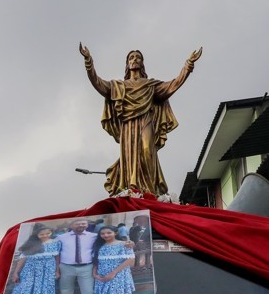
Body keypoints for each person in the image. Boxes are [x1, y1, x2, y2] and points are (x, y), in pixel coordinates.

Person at [79, 44, 202, 197]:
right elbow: (98, 84)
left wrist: (188, 65)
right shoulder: (119, 86)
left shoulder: (150, 85)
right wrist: (88, 61)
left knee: (146, 151)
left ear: (142, 63)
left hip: (146, 121)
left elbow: (172, 85)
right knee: (130, 157)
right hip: (128, 126)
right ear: (127, 64)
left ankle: (150, 191)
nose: (135, 59)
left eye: (138, 57)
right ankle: (133, 188)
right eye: (131, 57)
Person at [6, 225, 59, 294]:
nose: (45, 236)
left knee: (41, 291)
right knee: (23, 291)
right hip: (30, 269)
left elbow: (57, 257)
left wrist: (57, 270)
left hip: (47, 270)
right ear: (36, 234)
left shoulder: (56, 243)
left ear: (51, 232)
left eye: (47, 233)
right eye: (41, 234)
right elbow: (22, 258)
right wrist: (15, 272)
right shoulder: (31, 244)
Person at [91, 225, 136, 294]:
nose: (105, 235)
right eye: (102, 233)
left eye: (108, 232)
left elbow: (130, 260)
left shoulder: (124, 244)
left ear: (115, 233)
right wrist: (94, 274)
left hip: (117, 273)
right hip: (102, 274)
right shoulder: (99, 246)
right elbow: (96, 261)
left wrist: (113, 273)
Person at [56, 218, 97, 294]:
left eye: (83, 223)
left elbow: (110, 241)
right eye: (77, 223)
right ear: (71, 225)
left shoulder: (94, 236)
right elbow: (50, 247)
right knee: (65, 292)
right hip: (66, 267)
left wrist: (128, 243)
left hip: (86, 268)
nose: (80, 225)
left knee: (88, 292)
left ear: (87, 225)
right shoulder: (61, 237)